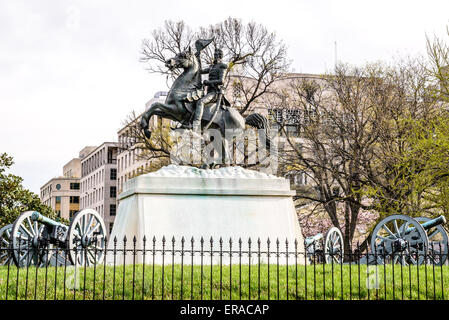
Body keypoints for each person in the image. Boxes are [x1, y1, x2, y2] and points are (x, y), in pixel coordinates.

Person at [192, 48, 228, 133]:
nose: (214, 56)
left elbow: (221, 81)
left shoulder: (222, 66)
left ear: (220, 56)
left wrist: (208, 82)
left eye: (216, 55)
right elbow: (200, 71)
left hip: (215, 92)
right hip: (209, 91)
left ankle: (196, 126)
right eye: (214, 55)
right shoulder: (212, 66)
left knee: (201, 102)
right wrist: (198, 58)